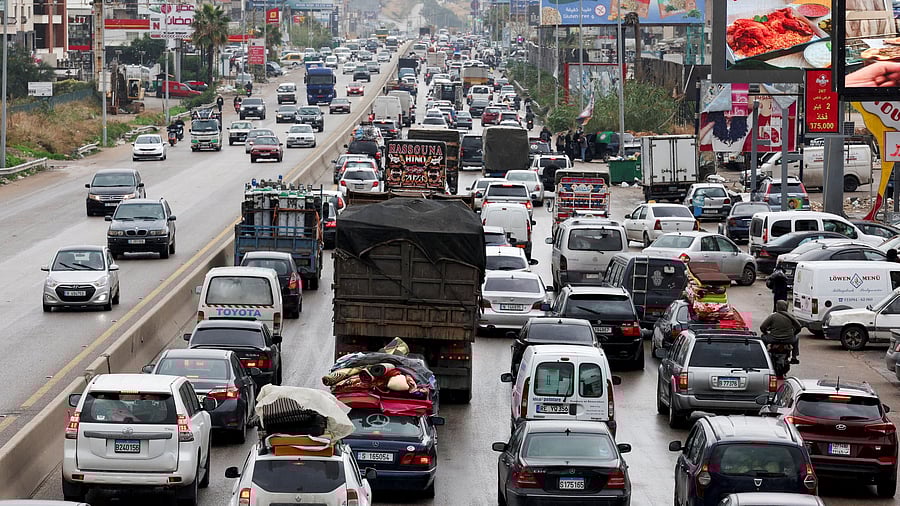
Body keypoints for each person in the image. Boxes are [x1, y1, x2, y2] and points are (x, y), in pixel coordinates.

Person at [760, 300, 802, 364]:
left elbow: (762, 327)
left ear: (777, 307)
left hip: (773, 339)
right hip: (788, 340)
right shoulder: (791, 316)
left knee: (763, 337)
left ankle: (763, 356)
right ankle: (794, 357)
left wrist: (766, 333)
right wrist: (793, 334)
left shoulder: (773, 316)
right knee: (797, 338)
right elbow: (799, 327)